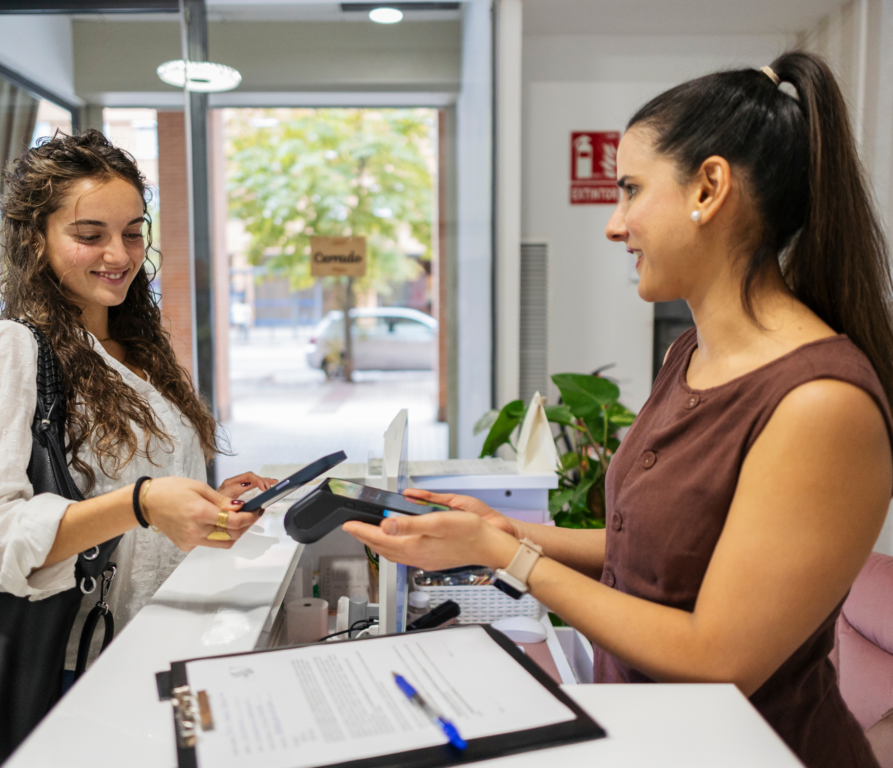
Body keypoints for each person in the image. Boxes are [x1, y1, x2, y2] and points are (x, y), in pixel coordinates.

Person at [344, 51, 893, 768]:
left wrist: (508, 557)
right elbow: (660, 557)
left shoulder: (822, 405)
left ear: (709, 188)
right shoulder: (685, 357)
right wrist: (505, 529)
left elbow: (717, 659)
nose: (614, 223)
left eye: (631, 190)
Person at [0, 130, 274, 683]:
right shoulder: (10, 348)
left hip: (160, 645)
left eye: (133, 233)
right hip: (77, 670)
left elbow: (134, 503)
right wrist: (142, 503)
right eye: (89, 235)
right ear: (35, 241)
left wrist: (199, 507)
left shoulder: (137, 348)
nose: (119, 255)